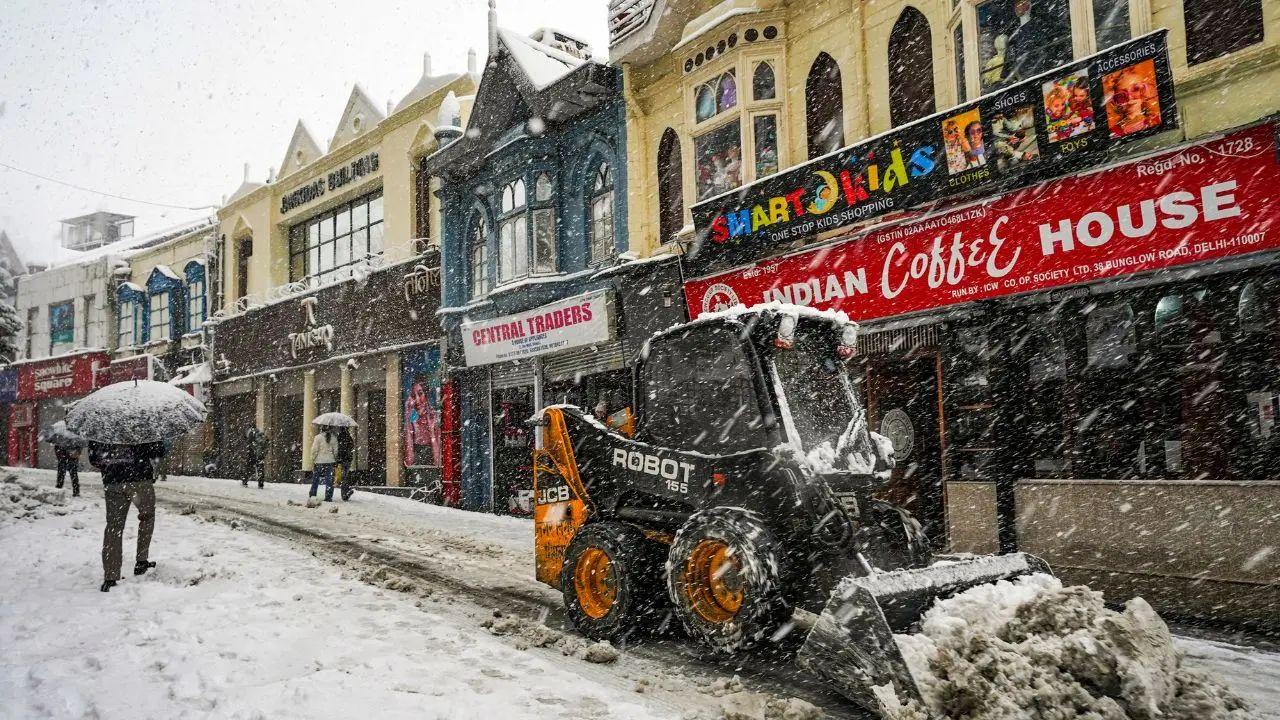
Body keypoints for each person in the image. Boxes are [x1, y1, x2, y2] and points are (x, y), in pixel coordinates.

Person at [88, 441, 167, 592]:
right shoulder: (141, 423)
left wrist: (112, 465)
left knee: (114, 527)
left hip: (113, 482)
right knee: (147, 517)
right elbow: (158, 450)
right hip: (140, 480)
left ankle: (110, 576)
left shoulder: (101, 425)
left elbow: (94, 459)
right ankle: (141, 561)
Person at [309, 428, 339, 502]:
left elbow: (314, 450)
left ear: (322, 429)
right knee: (329, 480)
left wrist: (313, 459)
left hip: (319, 461)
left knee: (315, 479)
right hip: (330, 461)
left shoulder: (317, 437)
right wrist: (335, 459)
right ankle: (328, 497)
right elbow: (336, 451)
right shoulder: (334, 438)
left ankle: (313, 494)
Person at [335, 427, 355, 501]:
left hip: (341, 459)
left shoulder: (338, 438)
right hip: (347, 459)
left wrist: (338, 459)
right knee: (345, 476)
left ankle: (345, 492)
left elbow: (337, 448)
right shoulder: (349, 437)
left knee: (343, 477)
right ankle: (345, 492)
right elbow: (352, 447)